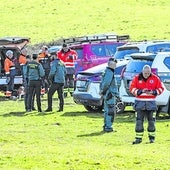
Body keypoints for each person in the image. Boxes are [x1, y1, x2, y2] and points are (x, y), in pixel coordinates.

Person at [130, 65, 164, 144]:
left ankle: (151, 138)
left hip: (151, 103)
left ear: (150, 72)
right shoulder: (136, 78)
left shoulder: (155, 78)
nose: (147, 75)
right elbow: (132, 88)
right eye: (145, 73)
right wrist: (140, 91)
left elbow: (161, 88)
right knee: (139, 121)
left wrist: (153, 92)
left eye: (148, 73)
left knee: (151, 121)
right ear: (142, 71)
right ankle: (138, 138)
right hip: (139, 103)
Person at [99, 58, 119, 132]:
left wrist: (102, 92)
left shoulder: (106, 71)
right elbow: (106, 83)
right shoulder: (110, 72)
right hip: (110, 94)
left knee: (107, 111)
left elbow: (103, 83)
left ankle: (106, 126)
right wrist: (103, 91)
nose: (116, 66)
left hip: (107, 94)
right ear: (112, 64)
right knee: (110, 111)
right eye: (115, 64)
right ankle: (108, 126)